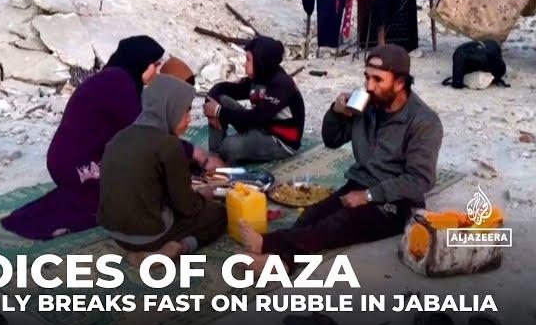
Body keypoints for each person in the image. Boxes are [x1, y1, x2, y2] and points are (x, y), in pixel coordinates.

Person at [237, 44, 444, 275]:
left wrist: (368, 196)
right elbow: (331, 140)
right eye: (367, 77)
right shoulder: (366, 104)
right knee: (314, 214)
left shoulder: (424, 121)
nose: (369, 86)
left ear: (400, 82)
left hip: (398, 202)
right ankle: (282, 263)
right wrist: (336, 112)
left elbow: (420, 179)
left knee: (339, 224)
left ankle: (266, 244)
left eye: (378, 80)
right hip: (360, 183)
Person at [98, 74, 227, 266]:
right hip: (148, 236)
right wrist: (204, 195)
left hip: (115, 232)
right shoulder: (169, 145)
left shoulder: (120, 137)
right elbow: (187, 207)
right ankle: (177, 249)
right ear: (170, 108)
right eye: (186, 112)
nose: (189, 120)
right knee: (218, 215)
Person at [202, 36, 305, 164]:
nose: (245, 64)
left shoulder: (282, 84)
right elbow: (224, 88)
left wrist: (219, 112)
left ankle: (222, 154)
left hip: (281, 140)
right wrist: (210, 105)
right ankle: (215, 155)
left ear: (261, 61)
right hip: (262, 127)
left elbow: (258, 117)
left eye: (248, 60)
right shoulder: (259, 78)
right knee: (219, 100)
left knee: (229, 147)